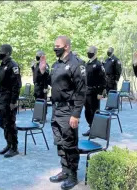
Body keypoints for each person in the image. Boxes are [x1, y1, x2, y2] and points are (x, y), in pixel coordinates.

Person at [46, 36, 86, 189]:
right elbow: (52, 83)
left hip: (68, 110)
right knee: (60, 142)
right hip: (56, 109)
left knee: (70, 143)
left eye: (58, 46)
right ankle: (64, 170)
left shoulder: (76, 64)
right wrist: (43, 72)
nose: (55, 48)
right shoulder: (56, 64)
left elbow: (81, 91)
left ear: (66, 47)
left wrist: (76, 114)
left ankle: (73, 175)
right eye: (54, 45)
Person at [0, 44, 22, 158]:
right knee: (3, 123)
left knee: (10, 123)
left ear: (7, 53)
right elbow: (0, 80)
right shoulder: (2, 65)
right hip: (1, 98)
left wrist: (13, 102)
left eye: (0, 51)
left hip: (8, 99)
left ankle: (14, 148)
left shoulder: (13, 66)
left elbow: (16, 86)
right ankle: (9, 144)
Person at [82, 46, 107, 136]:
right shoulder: (87, 64)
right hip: (87, 91)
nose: (89, 53)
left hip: (95, 92)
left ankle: (96, 130)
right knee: (87, 111)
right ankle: (91, 127)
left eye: (90, 51)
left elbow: (103, 80)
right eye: (88, 51)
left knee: (95, 111)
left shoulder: (99, 65)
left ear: (95, 52)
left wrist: (100, 93)